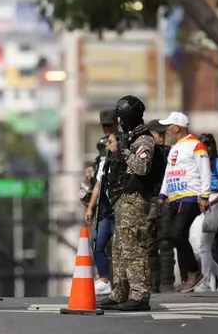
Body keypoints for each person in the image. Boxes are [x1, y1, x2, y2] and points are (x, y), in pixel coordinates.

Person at [98, 95, 155, 312]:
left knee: (133, 247)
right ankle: (120, 292)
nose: (120, 122)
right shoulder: (130, 139)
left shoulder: (143, 140)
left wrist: (123, 150)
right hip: (123, 200)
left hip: (136, 200)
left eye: (122, 118)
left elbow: (142, 168)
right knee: (119, 248)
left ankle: (139, 294)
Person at [156, 112, 210, 292]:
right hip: (174, 198)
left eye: (169, 126)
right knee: (177, 237)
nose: (167, 130)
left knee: (177, 235)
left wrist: (204, 196)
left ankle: (195, 272)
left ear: (177, 127)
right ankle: (188, 276)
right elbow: (168, 173)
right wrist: (162, 195)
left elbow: (204, 171)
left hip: (189, 197)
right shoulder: (175, 147)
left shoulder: (196, 145)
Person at [191, 133, 218, 292]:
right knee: (196, 245)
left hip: (214, 202)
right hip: (201, 202)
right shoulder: (198, 164)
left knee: (204, 246)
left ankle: (204, 282)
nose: (204, 148)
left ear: (211, 147)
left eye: (206, 145)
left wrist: (211, 202)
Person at [85, 132, 123, 296]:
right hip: (105, 208)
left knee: (121, 247)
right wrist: (91, 207)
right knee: (97, 243)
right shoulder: (105, 162)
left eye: (111, 142)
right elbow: (98, 185)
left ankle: (123, 282)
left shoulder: (125, 160)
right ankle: (104, 280)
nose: (108, 145)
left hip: (121, 208)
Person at [145, 119, 174, 293]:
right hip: (148, 201)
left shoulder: (170, 153)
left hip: (165, 200)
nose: (162, 137)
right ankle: (153, 284)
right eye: (158, 133)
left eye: (163, 134)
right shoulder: (144, 153)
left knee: (166, 242)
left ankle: (167, 283)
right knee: (149, 244)